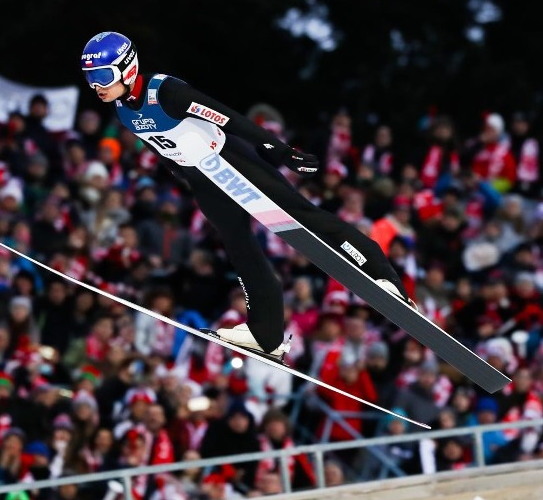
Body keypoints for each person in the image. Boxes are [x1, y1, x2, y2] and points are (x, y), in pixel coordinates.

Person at [79, 31, 415, 356]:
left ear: (128, 67)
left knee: (302, 216)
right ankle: (265, 332)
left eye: (103, 75)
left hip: (231, 159)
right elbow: (159, 146)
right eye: (90, 77)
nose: (97, 86)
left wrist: (279, 150)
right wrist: (182, 174)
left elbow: (228, 117)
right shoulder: (122, 109)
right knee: (238, 245)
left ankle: (381, 276)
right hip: (203, 178)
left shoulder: (166, 93)